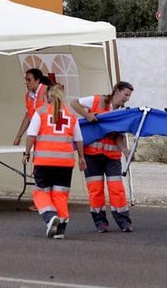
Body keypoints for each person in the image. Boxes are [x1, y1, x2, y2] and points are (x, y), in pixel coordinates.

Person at [71, 80, 134, 233]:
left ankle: (124, 222)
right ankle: (100, 222)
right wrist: (87, 115)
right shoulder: (97, 100)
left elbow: (118, 137)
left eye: (129, 96)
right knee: (96, 190)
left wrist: (125, 151)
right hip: (92, 155)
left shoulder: (121, 113)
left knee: (117, 189)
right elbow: (74, 103)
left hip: (112, 156)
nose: (126, 99)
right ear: (117, 90)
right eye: (125, 94)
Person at [25, 82, 85, 239]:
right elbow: (78, 139)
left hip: (44, 161)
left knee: (40, 192)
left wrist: (26, 153)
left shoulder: (41, 112)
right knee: (60, 194)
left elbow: (31, 135)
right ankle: (61, 229)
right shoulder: (71, 115)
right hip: (65, 163)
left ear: (47, 96)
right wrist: (82, 158)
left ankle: (50, 216)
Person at [13, 69, 50, 146]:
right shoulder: (28, 96)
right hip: (37, 134)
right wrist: (18, 136)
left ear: (37, 80)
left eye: (29, 80)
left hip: (48, 134)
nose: (26, 82)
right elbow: (28, 116)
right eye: (26, 80)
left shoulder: (47, 91)